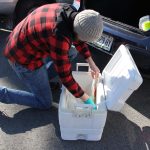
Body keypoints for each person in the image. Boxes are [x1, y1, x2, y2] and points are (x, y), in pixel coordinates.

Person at [0, 3, 103, 110]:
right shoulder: (59, 36)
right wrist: (86, 98)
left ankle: (42, 81)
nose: (83, 42)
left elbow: (79, 38)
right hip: (22, 58)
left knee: (72, 52)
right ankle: (2, 94)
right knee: (44, 102)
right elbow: (66, 77)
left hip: (26, 40)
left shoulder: (69, 11)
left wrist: (92, 64)